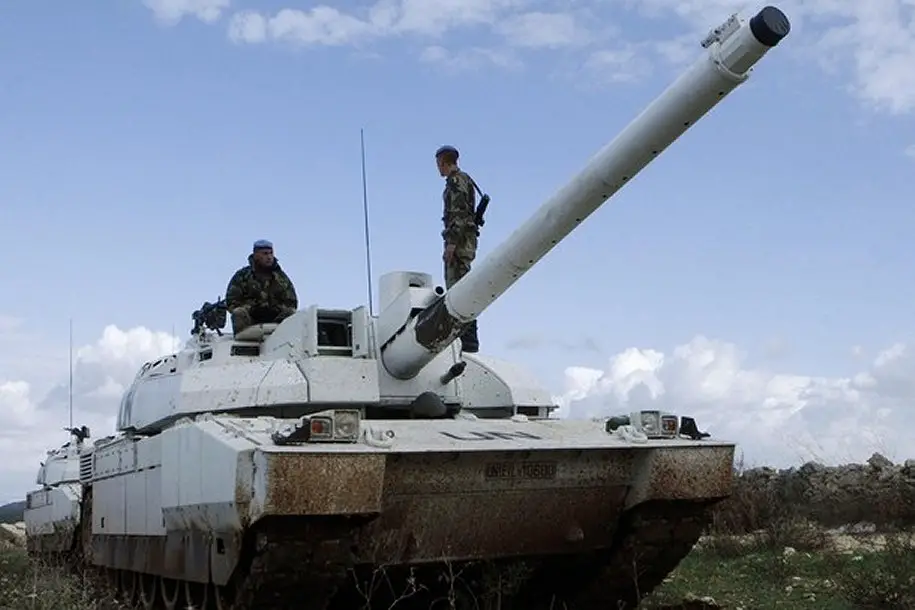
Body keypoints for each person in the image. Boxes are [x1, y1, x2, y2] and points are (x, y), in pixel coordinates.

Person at [436, 144, 480, 353]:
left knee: (459, 291)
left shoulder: (455, 182)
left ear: (444, 162)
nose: (438, 168)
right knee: (461, 288)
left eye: (439, 164)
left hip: (460, 244)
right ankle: (467, 338)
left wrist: (451, 245)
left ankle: (467, 340)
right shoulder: (467, 180)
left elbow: (458, 215)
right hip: (467, 242)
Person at [225, 239, 298, 334]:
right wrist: (253, 308)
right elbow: (232, 301)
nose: (269, 257)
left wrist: (275, 309)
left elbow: (292, 302)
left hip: (276, 320)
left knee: (291, 313)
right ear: (256, 255)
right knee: (238, 313)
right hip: (250, 320)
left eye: (271, 253)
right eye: (265, 253)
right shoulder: (242, 276)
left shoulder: (281, 278)